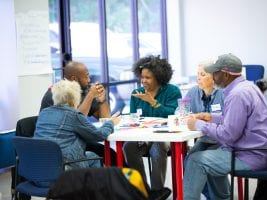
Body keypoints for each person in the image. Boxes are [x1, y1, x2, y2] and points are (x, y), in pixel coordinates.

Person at [183, 53, 267, 200]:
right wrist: (212, 118)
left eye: (215, 72)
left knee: (196, 160)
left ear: (226, 75)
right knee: (211, 155)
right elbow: (238, 121)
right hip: (261, 152)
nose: (213, 76)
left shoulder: (237, 95)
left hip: (252, 156)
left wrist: (198, 124)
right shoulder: (248, 87)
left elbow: (228, 135)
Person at [123, 55, 182, 200]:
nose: (143, 81)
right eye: (142, 77)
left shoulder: (172, 91)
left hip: (165, 137)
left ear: (158, 77)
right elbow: (133, 118)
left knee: (158, 145)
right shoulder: (136, 93)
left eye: (147, 77)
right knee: (128, 147)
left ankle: (157, 192)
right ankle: (142, 190)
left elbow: (173, 114)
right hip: (142, 137)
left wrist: (153, 102)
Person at [40, 61, 118, 165]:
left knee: (109, 154)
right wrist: (111, 122)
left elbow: (103, 118)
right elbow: (77, 118)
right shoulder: (57, 94)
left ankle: (120, 180)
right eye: (86, 77)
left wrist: (101, 100)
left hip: (69, 144)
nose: (89, 80)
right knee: (98, 156)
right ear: (74, 79)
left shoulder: (83, 91)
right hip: (62, 150)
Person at [184, 61, 224, 200]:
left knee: (206, 164)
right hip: (205, 138)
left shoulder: (223, 93)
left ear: (214, 77)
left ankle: (219, 195)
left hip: (222, 140)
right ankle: (209, 194)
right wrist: (181, 114)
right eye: (197, 74)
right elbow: (181, 110)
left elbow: (228, 120)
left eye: (202, 74)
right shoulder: (192, 91)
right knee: (189, 161)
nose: (198, 78)